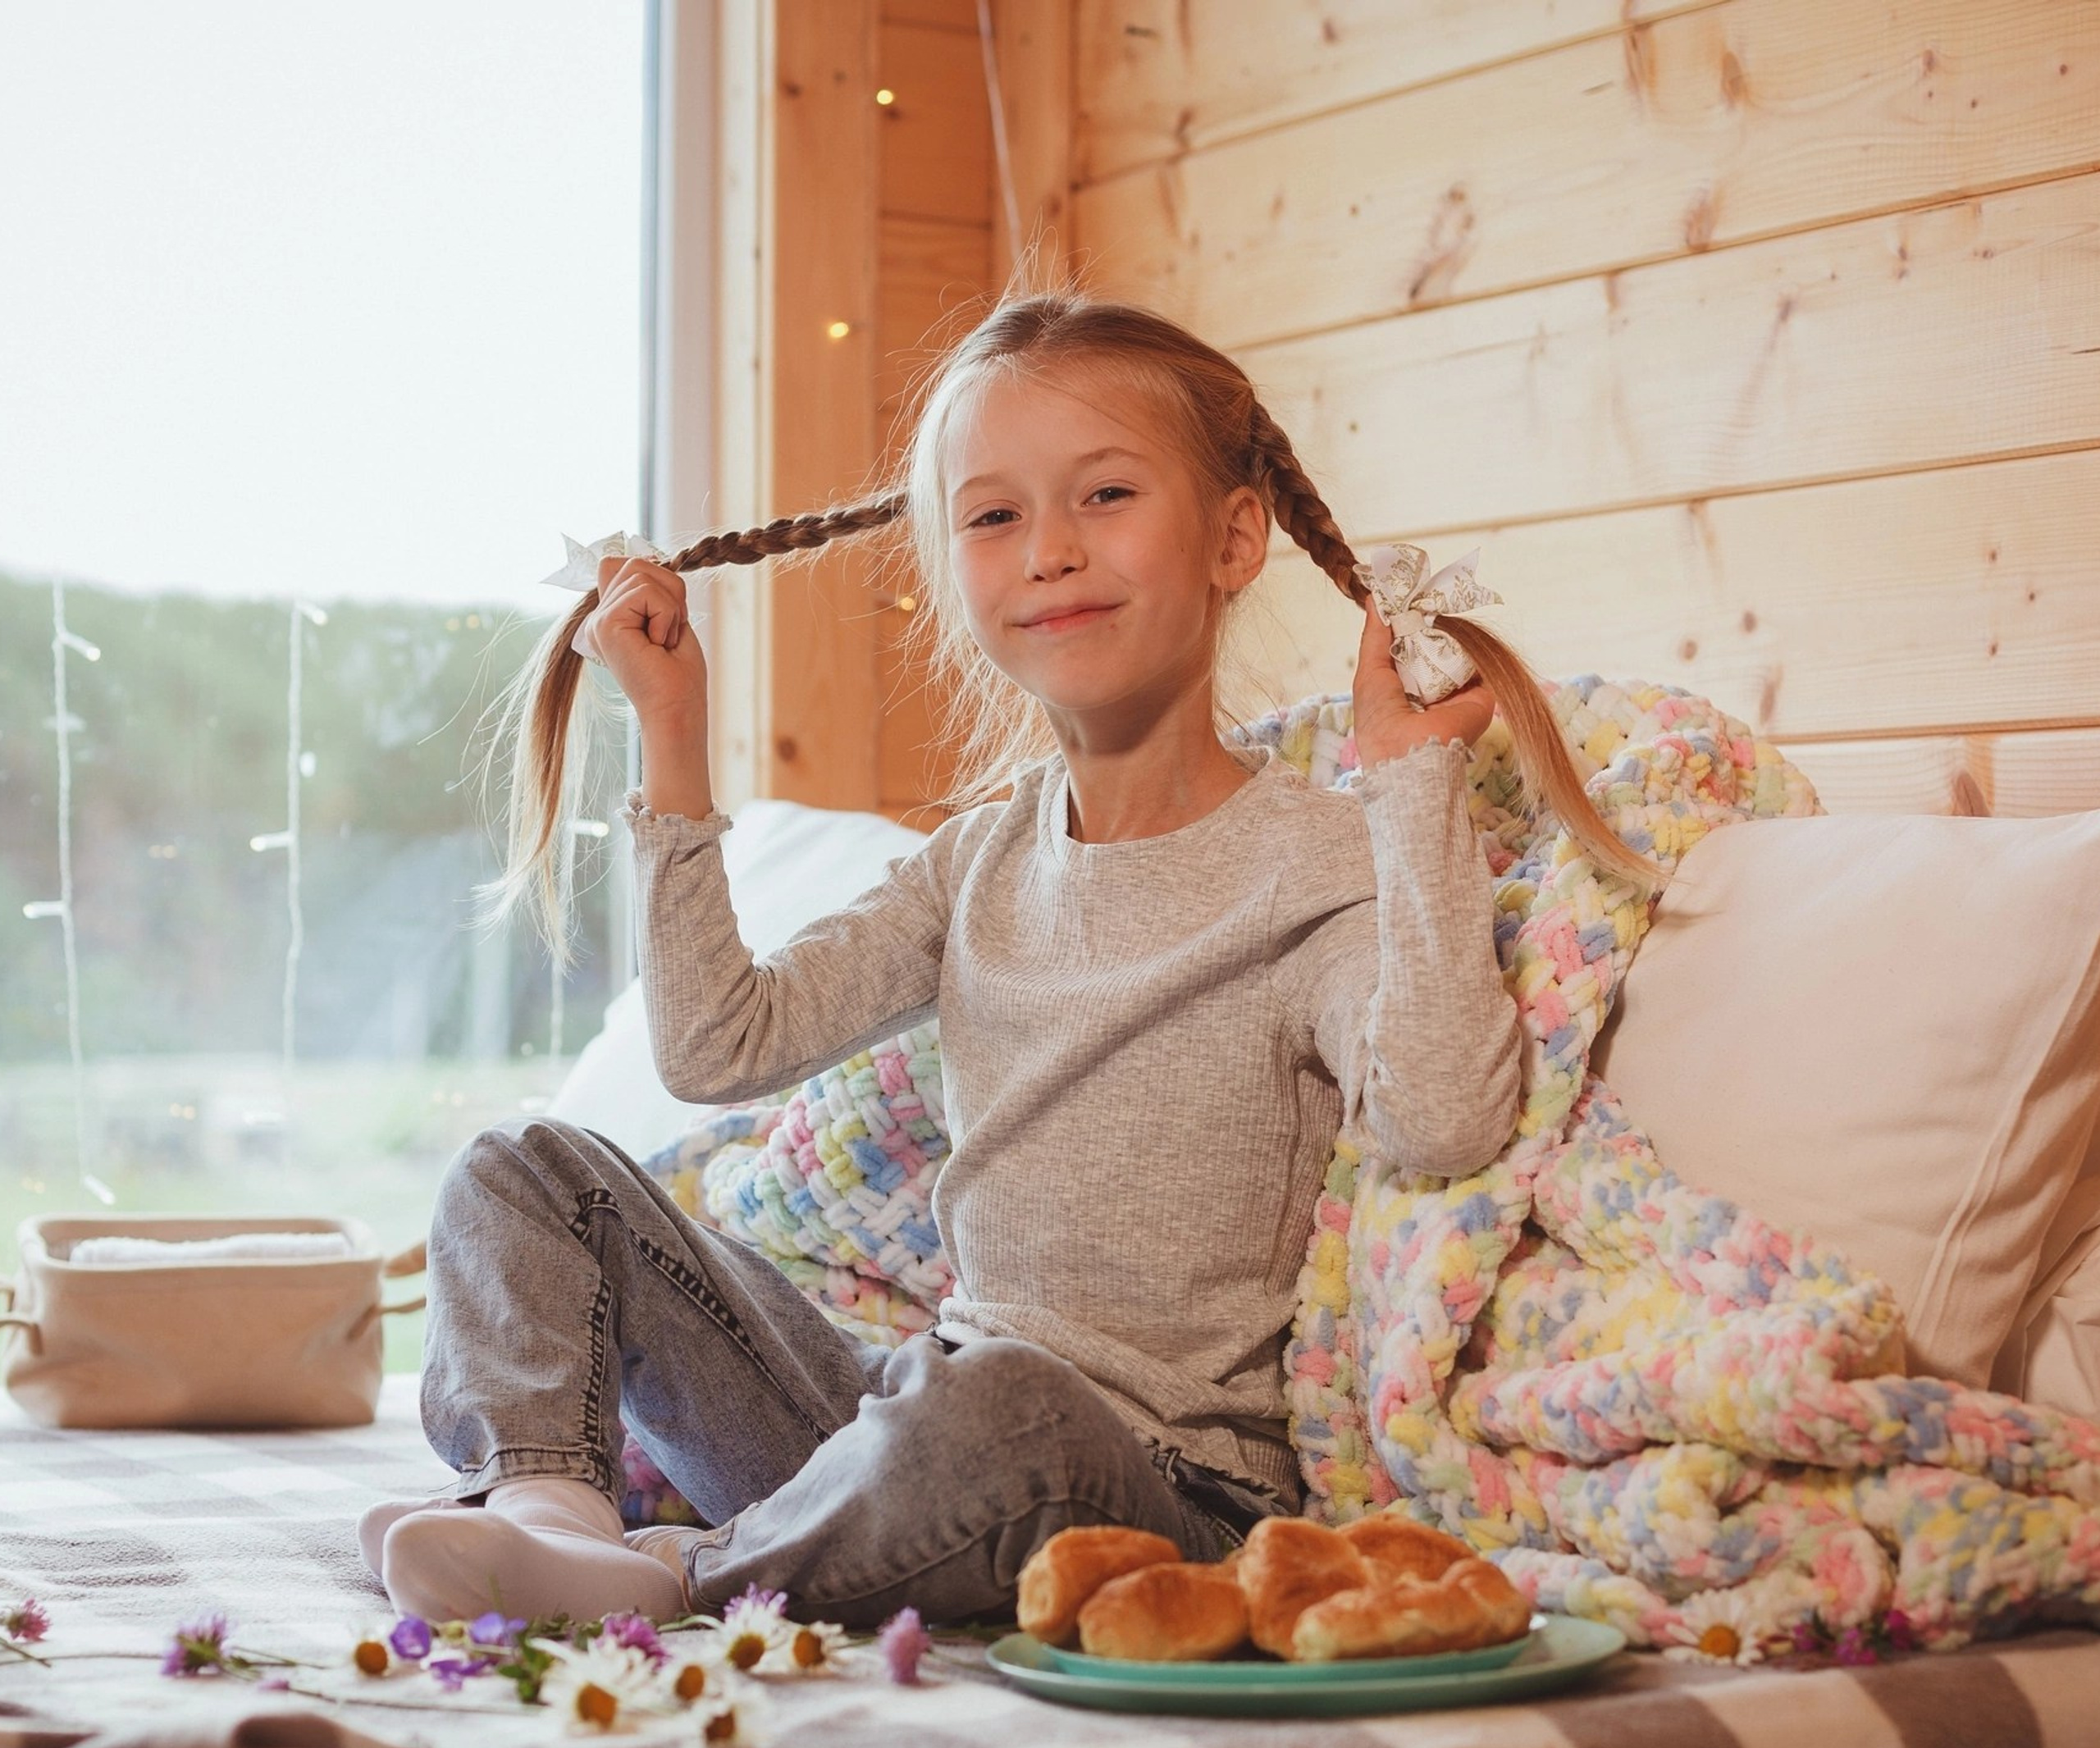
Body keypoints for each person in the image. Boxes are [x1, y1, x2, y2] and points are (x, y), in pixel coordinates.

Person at [360, 285, 1655, 1630]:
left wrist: (1412, 786)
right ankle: (548, 1516)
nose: (1047, 550)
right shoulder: (978, 861)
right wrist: (673, 740)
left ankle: (677, 1572)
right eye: (993, 515)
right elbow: (715, 1049)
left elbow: (1447, 1115)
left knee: (1003, 1406)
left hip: (1138, 1487)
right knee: (522, 1171)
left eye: (1104, 496)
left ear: (1234, 538)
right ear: (952, 568)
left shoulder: (1318, 857)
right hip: (909, 1430)